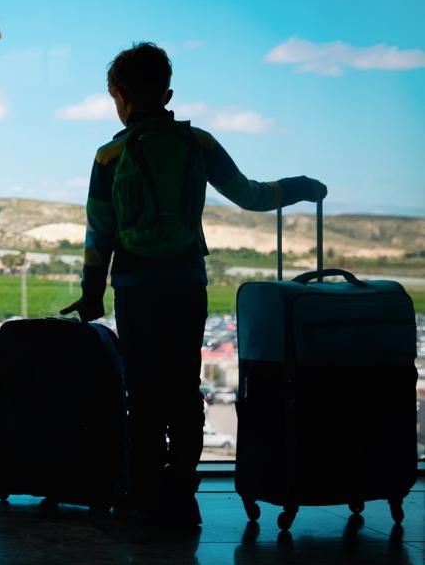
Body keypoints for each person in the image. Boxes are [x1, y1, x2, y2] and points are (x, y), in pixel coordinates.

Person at [61, 42, 326, 527]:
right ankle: (183, 492)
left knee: (141, 392)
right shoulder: (197, 143)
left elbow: (99, 233)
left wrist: (92, 291)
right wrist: (301, 187)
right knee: (184, 389)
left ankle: (142, 494)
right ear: (167, 92)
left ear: (119, 96)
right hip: (186, 284)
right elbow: (250, 195)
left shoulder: (109, 155)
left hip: (135, 288)